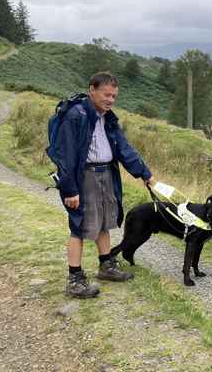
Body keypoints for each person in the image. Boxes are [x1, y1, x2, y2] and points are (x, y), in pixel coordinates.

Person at [53, 72, 153, 298]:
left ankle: (106, 265)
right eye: (106, 95)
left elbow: (124, 148)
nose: (110, 100)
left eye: (114, 96)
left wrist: (144, 173)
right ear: (92, 90)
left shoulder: (107, 117)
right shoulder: (75, 116)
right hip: (83, 176)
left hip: (106, 173)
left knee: (105, 221)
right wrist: (69, 189)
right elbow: (65, 155)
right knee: (78, 225)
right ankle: (75, 279)